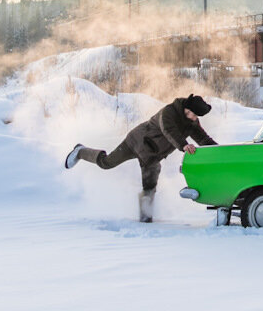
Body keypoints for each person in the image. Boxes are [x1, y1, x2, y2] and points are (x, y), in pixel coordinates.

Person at [64, 94, 218, 223]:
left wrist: (220, 150)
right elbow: (169, 131)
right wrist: (183, 145)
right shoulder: (169, 112)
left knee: (150, 186)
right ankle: (80, 151)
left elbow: (203, 139)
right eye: (193, 114)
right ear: (187, 108)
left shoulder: (191, 122)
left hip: (152, 156)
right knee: (106, 163)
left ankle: (145, 220)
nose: (194, 118)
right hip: (135, 142)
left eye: (197, 116)